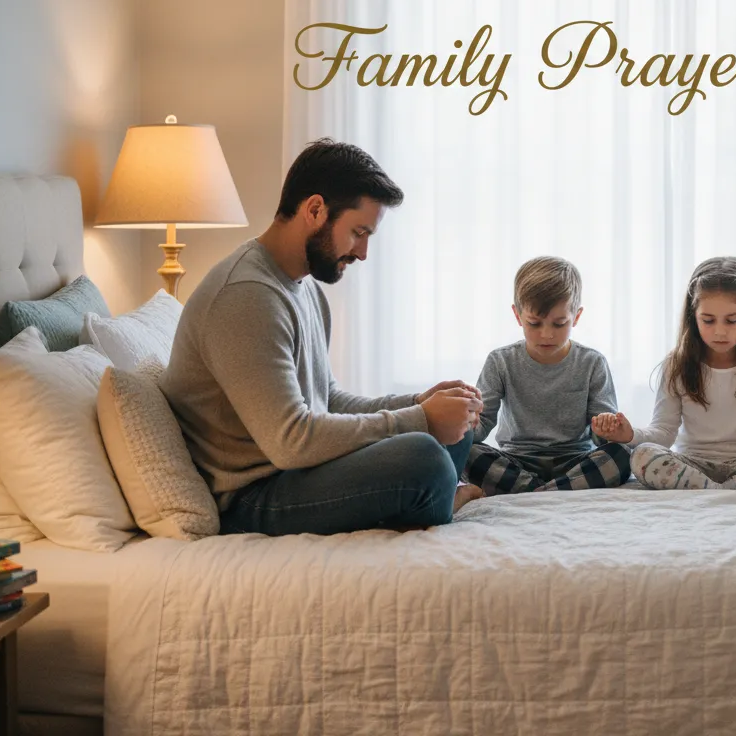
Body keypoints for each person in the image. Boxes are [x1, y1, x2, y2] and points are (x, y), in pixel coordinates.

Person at [161, 138, 484, 535]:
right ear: (315, 210)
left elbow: (328, 400)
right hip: (251, 495)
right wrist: (418, 419)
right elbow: (291, 440)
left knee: (457, 423)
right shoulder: (245, 296)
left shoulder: (304, 287)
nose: (363, 252)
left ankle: (434, 495)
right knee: (424, 458)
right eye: (358, 232)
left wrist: (420, 403)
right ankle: (440, 495)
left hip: (294, 472)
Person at [592, 256, 736, 491]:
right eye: (708, 320)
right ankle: (731, 492)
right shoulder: (677, 364)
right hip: (693, 463)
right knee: (642, 456)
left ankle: (710, 491)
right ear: (693, 317)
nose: (719, 331)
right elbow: (664, 433)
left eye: (731, 321)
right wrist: (629, 434)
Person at [465, 256, 632, 493]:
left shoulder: (591, 362)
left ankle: (533, 492)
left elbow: (601, 439)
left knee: (623, 454)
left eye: (559, 324)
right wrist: (467, 422)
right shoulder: (500, 361)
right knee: (464, 453)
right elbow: (481, 427)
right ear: (517, 315)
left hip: (575, 460)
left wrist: (607, 430)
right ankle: (555, 491)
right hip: (517, 460)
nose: (546, 335)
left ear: (576, 316)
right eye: (534, 324)